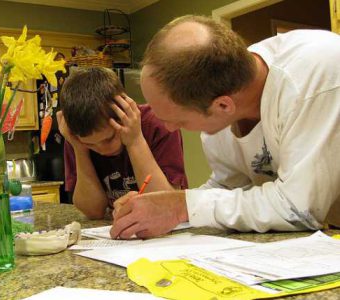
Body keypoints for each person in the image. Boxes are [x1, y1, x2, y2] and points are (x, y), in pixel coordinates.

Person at [110, 15, 340, 239]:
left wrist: (181, 206)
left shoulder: (315, 77)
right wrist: (165, 204)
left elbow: (298, 208)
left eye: (179, 121)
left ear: (223, 105)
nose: (169, 129)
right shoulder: (219, 94)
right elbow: (228, 189)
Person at [57, 67, 188, 219]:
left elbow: (166, 206)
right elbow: (93, 211)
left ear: (124, 112)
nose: (102, 149)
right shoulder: (77, 138)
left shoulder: (157, 124)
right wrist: (79, 149)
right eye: (91, 144)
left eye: (109, 139)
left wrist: (135, 140)